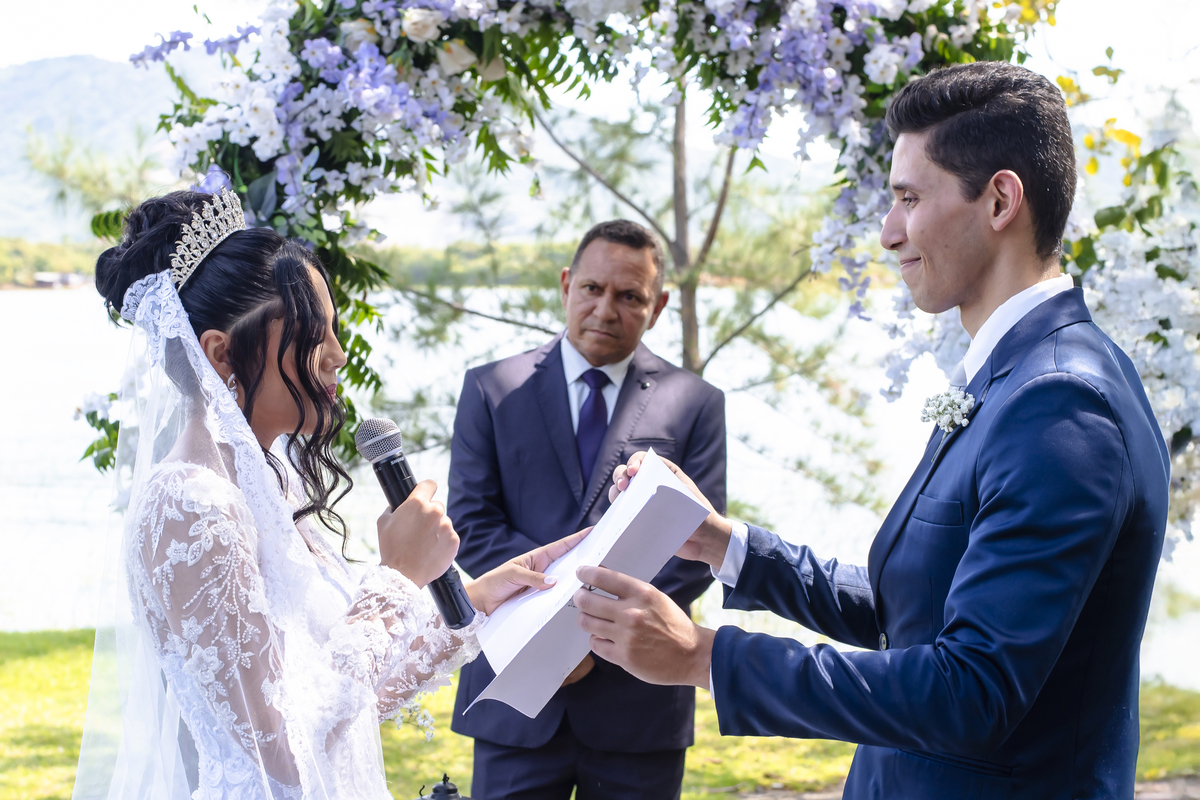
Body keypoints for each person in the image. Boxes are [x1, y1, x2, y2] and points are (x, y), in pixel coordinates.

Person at [571, 61, 1171, 800]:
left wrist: (703, 656)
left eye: (909, 199)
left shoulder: (1061, 404)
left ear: (1000, 200)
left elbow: (971, 690)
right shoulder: (1012, 377)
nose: (888, 233)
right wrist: (726, 544)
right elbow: (915, 615)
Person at [72, 189, 584, 800]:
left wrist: (478, 599)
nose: (339, 357)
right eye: (316, 336)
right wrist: (397, 576)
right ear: (221, 354)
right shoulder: (190, 505)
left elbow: (345, 700)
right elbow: (282, 748)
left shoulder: (271, 480)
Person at [447, 219, 727, 799]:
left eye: (630, 296)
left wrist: (588, 635)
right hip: (514, 692)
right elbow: (472, 525)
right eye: (593, 289)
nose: (606, 309)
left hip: (638, 699)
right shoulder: (491, 388)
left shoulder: (697, 403)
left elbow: (697, 546)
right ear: (566, 284)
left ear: (658, 307)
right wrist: (549, 629)